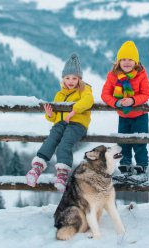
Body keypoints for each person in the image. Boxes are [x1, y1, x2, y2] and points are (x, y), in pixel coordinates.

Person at [26, 53, 94, 192]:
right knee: (51, 140)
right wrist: (50, 114)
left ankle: (62, 175)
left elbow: (88, 101)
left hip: (77, 124)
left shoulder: (84, 89)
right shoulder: (60, 94)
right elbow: (54, 117)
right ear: (63, 78)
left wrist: (74, 111)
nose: (71, 81)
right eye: (67, 78)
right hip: (60, 124)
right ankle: (37, 168)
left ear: (79, 79)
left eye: (74, 78)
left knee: (64, 145)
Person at [101, 40, 149, 177]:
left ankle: (141, 169)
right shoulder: (113, 75)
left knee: (139, 142)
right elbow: (105, 94)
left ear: (136, 62)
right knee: (123, 143)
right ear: (118, 61)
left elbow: (146, 93)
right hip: (123, 116)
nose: (127, 62)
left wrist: (133, 100)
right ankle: (125, 168)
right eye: (123, 59)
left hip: (140, 115)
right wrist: (116, 103)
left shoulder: (141, 74)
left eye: (130, 59)